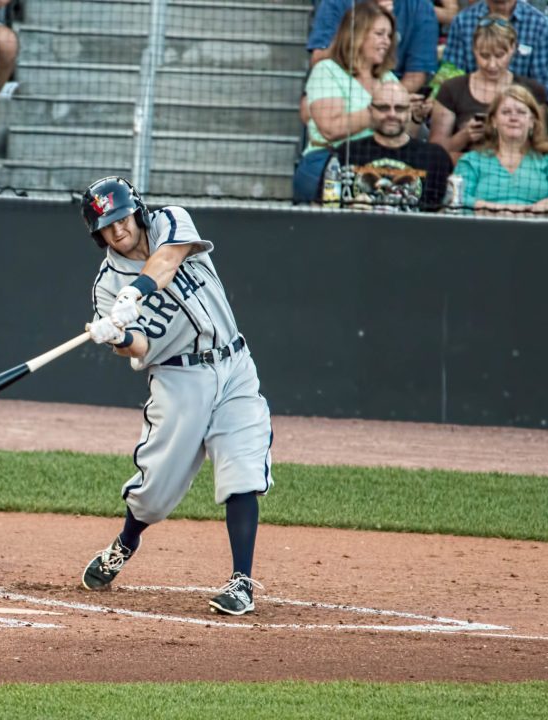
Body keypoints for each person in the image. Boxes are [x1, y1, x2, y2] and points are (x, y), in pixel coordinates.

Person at [77, 177, 273, 616]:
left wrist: (137, 293)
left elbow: (168, 259)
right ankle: (126, 542)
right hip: (179, 379)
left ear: (137, 211)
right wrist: (119, 334)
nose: (117, 230)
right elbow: (140, 348)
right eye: (106, 226)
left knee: (242, 465)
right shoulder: (106, 287)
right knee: (155, 490)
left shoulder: (170, 221)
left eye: (122, 218)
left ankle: (241, 581)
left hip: (234, 364)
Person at [295, 1, 401, 203]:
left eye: (389, 36)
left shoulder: (388, 78)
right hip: (328, 163)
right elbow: (331, 129)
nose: (386, 41)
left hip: (377, 164)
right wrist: (378, 113)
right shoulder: (327, 71)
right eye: (379, 34)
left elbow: (402, 133)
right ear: (358, 35)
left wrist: (411, 115)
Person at [430, 16, 548, 163]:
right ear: (474, 49)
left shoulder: (532, 91)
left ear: (513, 48)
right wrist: (464, 136)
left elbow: (540, 145)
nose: (492, 65)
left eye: (499, 56)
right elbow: (434, 151)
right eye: (484, 56)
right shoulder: (451, 88)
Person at [329, 81, 453, 211]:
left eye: (399, 108)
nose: (392, 115)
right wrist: (349, 211)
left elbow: (446, 214)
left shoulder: (435, 157)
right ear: (370, 111)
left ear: (409, 112)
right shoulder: (347, 152)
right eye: (383, 108)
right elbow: (325, 208)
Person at [452, 84, 548, 213]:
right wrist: (504, 210)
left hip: (536, 228)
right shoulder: (472, 161)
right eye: (506, 112)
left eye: (521, 112)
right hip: (483, 229)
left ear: (532, 122)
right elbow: (459, 200)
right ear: (494, 121)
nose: (513, 118)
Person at [307, 0, 439, 93]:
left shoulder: (421, 7)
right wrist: (363, 21)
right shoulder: (336, 2)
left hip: (392, 91)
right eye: (380, 34)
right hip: (336, 87)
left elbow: (416, 77)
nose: (386, 41)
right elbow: (318, 59)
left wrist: (385, 102)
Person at [443, 0, 548, 102]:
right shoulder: (463, 22)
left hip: (520, 112)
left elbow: (545, 90)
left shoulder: (540, 26)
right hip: (469, 110)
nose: (492, 65)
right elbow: (451, 76)